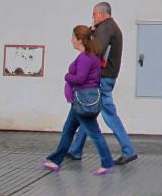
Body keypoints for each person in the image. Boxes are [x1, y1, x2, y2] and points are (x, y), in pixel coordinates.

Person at [66, 2, 137, 165]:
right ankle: (76, 150)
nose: (92, 17)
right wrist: (92, 31)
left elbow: (97, 49)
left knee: (107, 114)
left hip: (103, 77)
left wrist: (89, 37)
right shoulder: (109, 27)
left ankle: (128, 150)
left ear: (102, 14)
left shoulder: (106, 28)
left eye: (94, 14)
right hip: (106, 76)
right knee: (88, 111)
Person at [41, 25, 114, 175]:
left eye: (73, 37)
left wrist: (67, 76)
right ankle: (55, 160)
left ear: (80, 40)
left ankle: (107, 163)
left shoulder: (84, 58)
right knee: (68, 129)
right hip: (82, 100)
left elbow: (80, 79)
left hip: (83, 100)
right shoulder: (92, 56)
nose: (71, 40)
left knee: (94, 133)